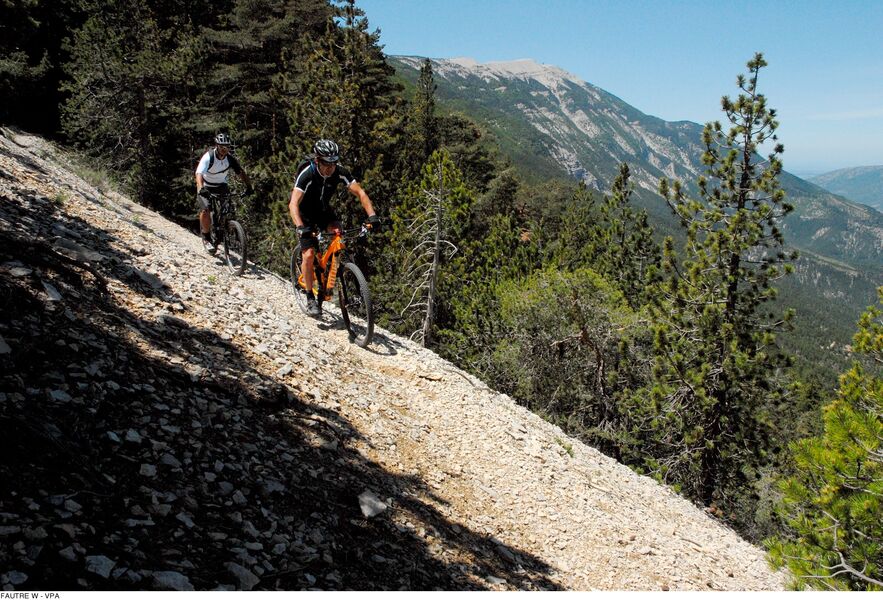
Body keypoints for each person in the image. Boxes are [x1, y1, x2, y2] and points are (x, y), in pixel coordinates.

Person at [289, 139, 380, 317]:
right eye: (326, 163)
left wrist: (372, 216)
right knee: (307, 254)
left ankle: (330, 272)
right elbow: (293, 204)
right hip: (305, 214)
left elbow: (360, 193)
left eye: (333, 162)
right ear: (317, 160)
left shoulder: (339, 172)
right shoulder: (307, 174)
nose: (330, 167)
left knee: (338, 233)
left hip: (323, 211)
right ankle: (309, 298)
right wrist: (300, 226)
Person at [195, 133, 252, 248]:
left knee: (227, 209)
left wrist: (249, 186)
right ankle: (206, 237)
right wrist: (201, 188)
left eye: (227, 147)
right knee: (206, 209)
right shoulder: (208, 157)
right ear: (217, 146)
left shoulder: (230, 159)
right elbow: (199, 173)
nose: (224, 149)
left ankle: (223, 228)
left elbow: (240, 173)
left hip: (221, 185)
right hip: (206, 185)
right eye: (222, 147)